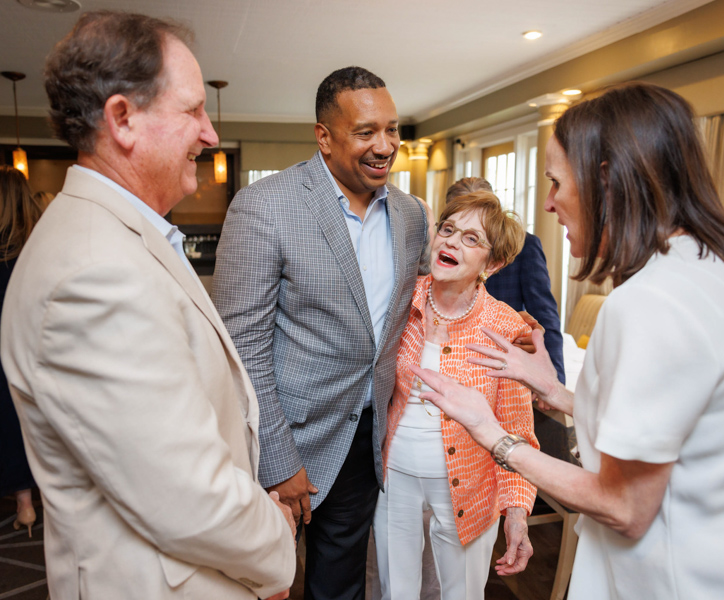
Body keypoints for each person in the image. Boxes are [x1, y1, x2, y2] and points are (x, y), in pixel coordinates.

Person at [411, 82, 724, 599]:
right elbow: (674, 432)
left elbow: (623, 506)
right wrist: (555, 394)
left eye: (555, 182)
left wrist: (492, 434)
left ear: (605, 181)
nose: (549, 205)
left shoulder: (649, 302)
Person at [0, 12, 295, 600]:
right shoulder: (93, 272)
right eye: (192, 110)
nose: (210, 134)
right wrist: (277, 542)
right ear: (123, 119)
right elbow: (187, 496)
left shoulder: (121, 233)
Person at [212, 66, 430, 600]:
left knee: (340, 583)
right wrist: (280, 461)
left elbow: (426, 307)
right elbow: (243, 348)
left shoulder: (410, 216)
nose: (385, 146)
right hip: (282, 439)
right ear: (324, 137)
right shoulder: (266, 205)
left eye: (392, 129)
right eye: (365, 132)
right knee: (255, 582)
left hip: (365, 437)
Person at [373, 191, 537, 599]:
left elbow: (516, 429)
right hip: (395, 478)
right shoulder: (400, 298)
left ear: (493, 263)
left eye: (471, 239)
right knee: (396, 590)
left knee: (461, 593)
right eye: (448, 230)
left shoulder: (505, 326)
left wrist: (517, 512)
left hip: (470, 487)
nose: (451, 242)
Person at [445, 177, 565, 383]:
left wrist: (553, 376)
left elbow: (544, 313)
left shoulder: (525, 246)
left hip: (502, 368)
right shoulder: (442, 248)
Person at [0, 165, 46, 537]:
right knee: (24, 420)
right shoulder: (39, 249)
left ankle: (22, 502)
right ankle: (29, 503)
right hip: (29, 348)